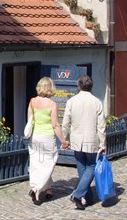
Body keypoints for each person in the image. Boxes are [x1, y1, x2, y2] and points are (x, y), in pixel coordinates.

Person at [61, 75, 106, 210]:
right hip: (91, 139)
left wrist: (64, 139)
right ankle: (78, 194)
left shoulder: (72, 101)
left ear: (78, 86)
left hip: (76, 139)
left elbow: (66, 122)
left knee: (81, 167)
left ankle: (89, 197)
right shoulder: (96, 102)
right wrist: (103, 143)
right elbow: (101, 126)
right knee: (91, 166)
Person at [26, 77, 68, 205]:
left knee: (36, 163)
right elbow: (55, 125)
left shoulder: (32, 101)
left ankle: (47, 188)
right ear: (50, 88)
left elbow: (30, 120)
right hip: (47, 137)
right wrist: (63, 141)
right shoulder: (51, 104)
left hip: (35, 136)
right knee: (49, 162)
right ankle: (37, 189)